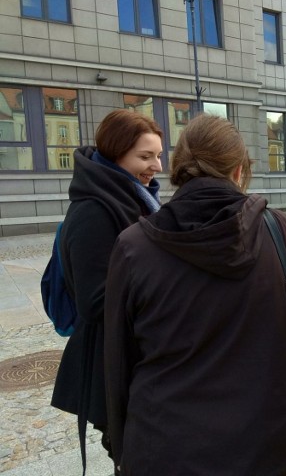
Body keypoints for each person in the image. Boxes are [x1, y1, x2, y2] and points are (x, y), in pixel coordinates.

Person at [103, 114, 286, 476]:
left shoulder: (133, 247)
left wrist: (121, 447)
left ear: (178, 171)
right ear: (239, 172)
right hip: (275, 448)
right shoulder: (282, 232)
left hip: (166, 451)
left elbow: (119, 363)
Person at [50, 108, 163, 474]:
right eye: (145, 157)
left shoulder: (134, 198)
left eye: (159, 155)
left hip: (133, 355)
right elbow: (96, 301)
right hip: (110, 363)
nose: (157, 166)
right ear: (116, 155)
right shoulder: (93, 211)